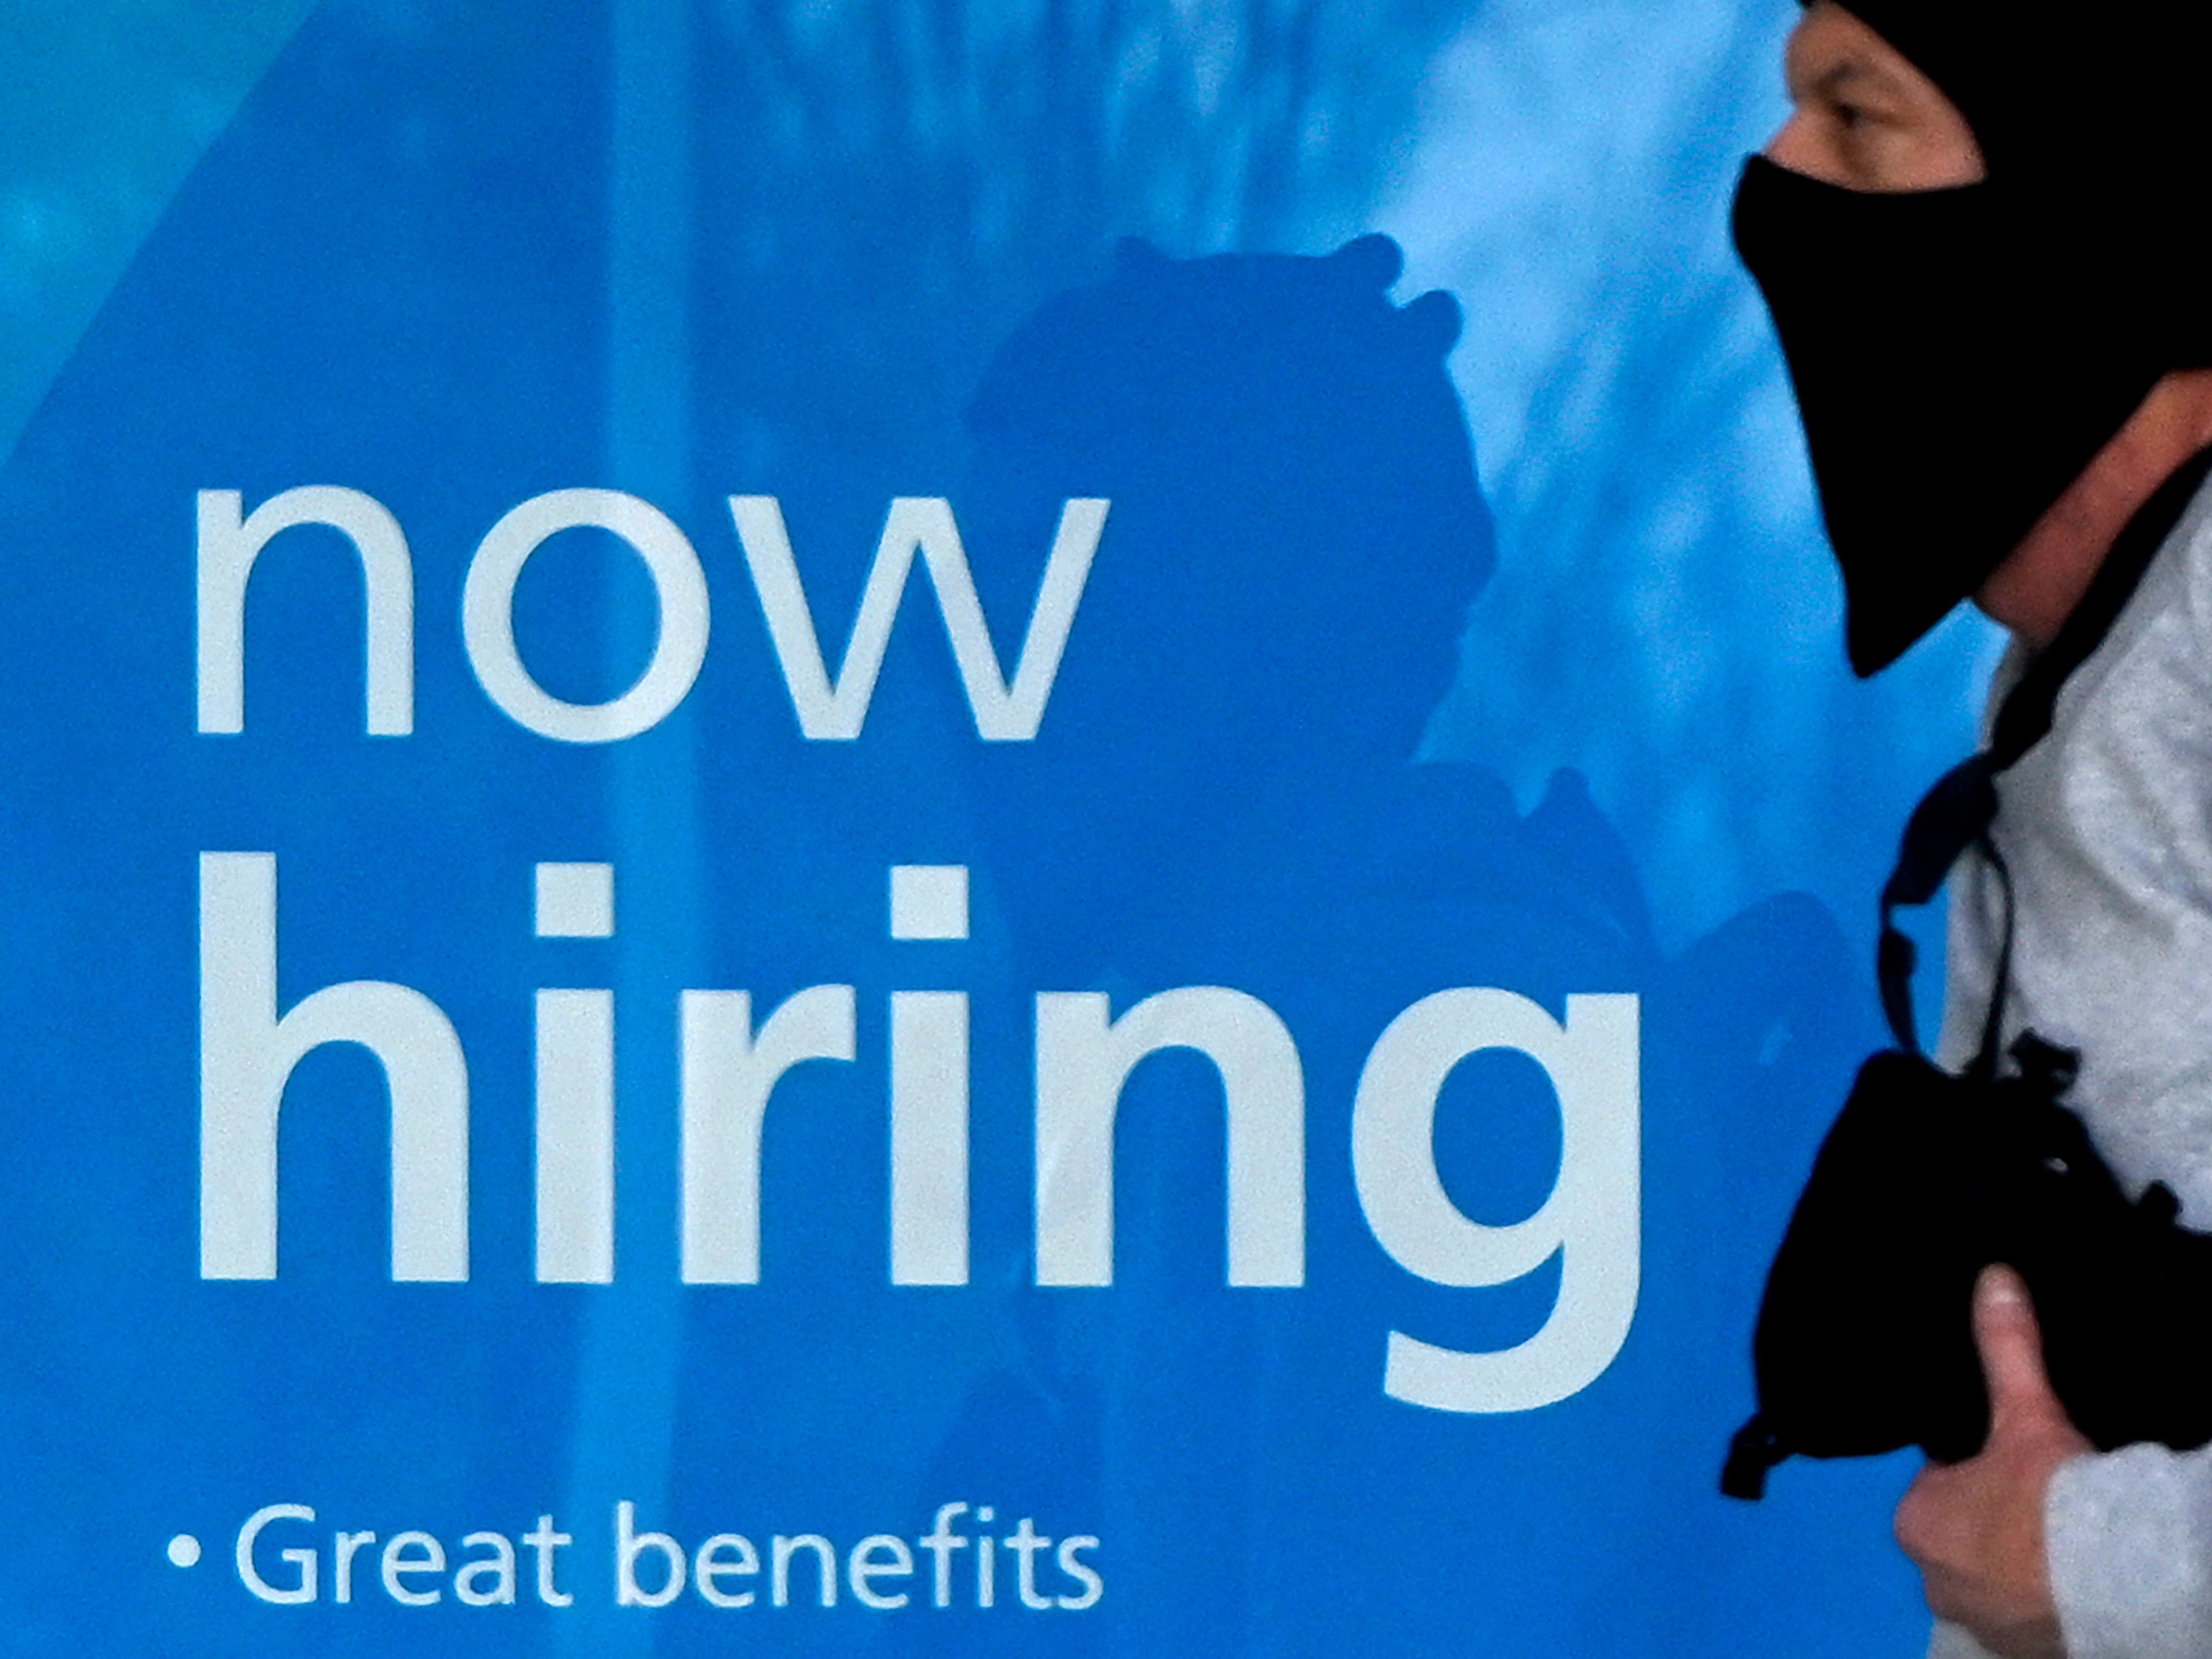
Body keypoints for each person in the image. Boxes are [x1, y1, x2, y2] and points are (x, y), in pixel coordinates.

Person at [1734, 3, 2212, 1657]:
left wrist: (2100, 1559)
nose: (1773, 184)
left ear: (2087, 207)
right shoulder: (2073, 669)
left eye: (1856, 123)